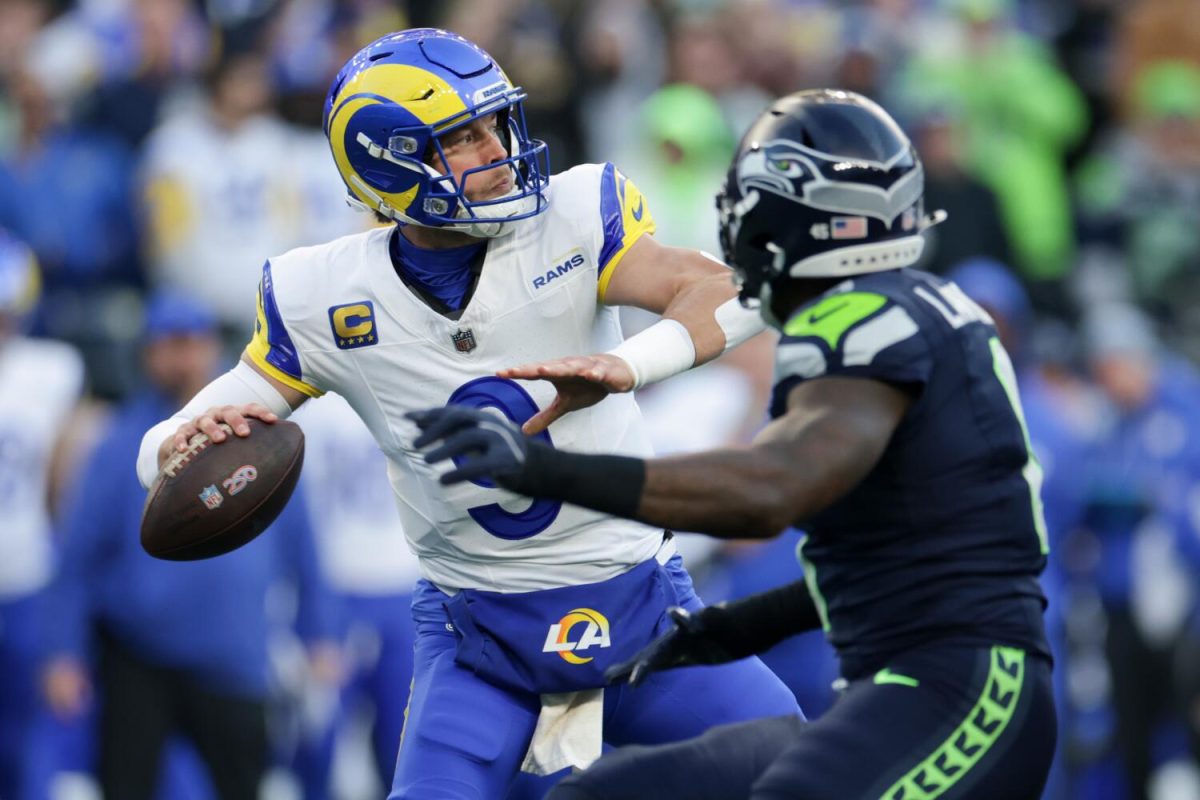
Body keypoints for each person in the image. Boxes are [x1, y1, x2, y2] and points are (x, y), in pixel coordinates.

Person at [135, 28, 800, 800]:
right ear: (387, 162)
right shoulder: (322, 294)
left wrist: (628, 364)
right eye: (461, 137)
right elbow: (170, 445)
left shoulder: (574, 216)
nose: (496, 148)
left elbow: (731, 291)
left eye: (495, 123)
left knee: (796, 769)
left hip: (639, 609)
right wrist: (175, 448)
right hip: (481, 640)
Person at [413, 90, 1057, 799]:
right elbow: (894, 562)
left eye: (748, 203)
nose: (736, 225)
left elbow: (769, 489)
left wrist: (543, 470)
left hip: (962, 687)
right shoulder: (912, 311)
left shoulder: (866, 322)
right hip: (912, 682)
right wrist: (738, 626)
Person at [45, 290, 340, 800]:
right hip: (139, 652)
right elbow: (78, 556)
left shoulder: (255, 433)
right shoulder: (122, 442)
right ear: (148, 354)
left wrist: (320, 632)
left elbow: (303, 543)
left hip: (234, 654)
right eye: (168, 344)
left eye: (191, 342)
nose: (182, 358)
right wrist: (64, 652)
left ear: (211, 347)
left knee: (243, 786)